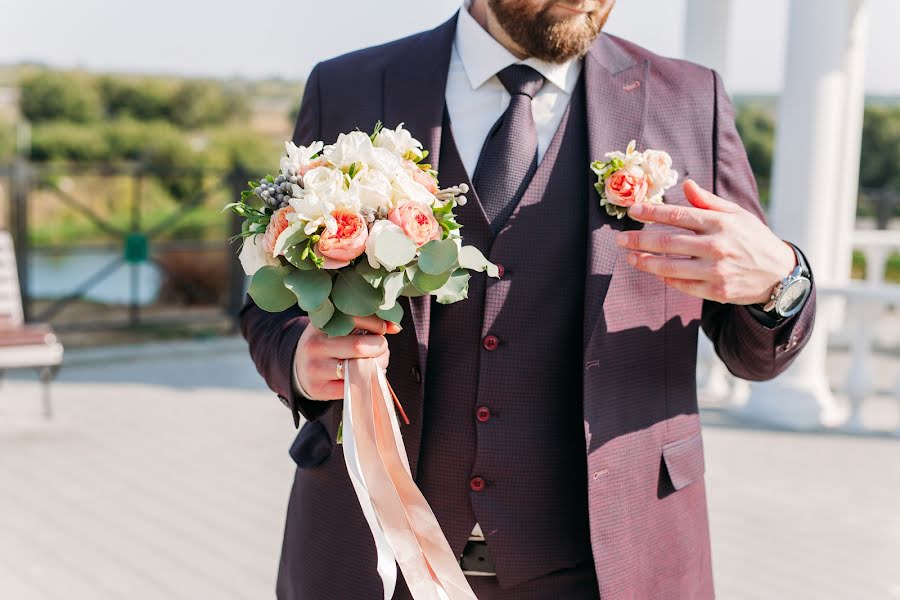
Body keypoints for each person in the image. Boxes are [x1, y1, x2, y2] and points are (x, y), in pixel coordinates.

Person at [240, 1, 816, 598]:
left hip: (609, 565)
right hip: (370, 557)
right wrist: (298, 359)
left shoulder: (692, 100)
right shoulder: (351, 87)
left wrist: (781, 280)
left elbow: (755, 354)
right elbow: (270, 299)